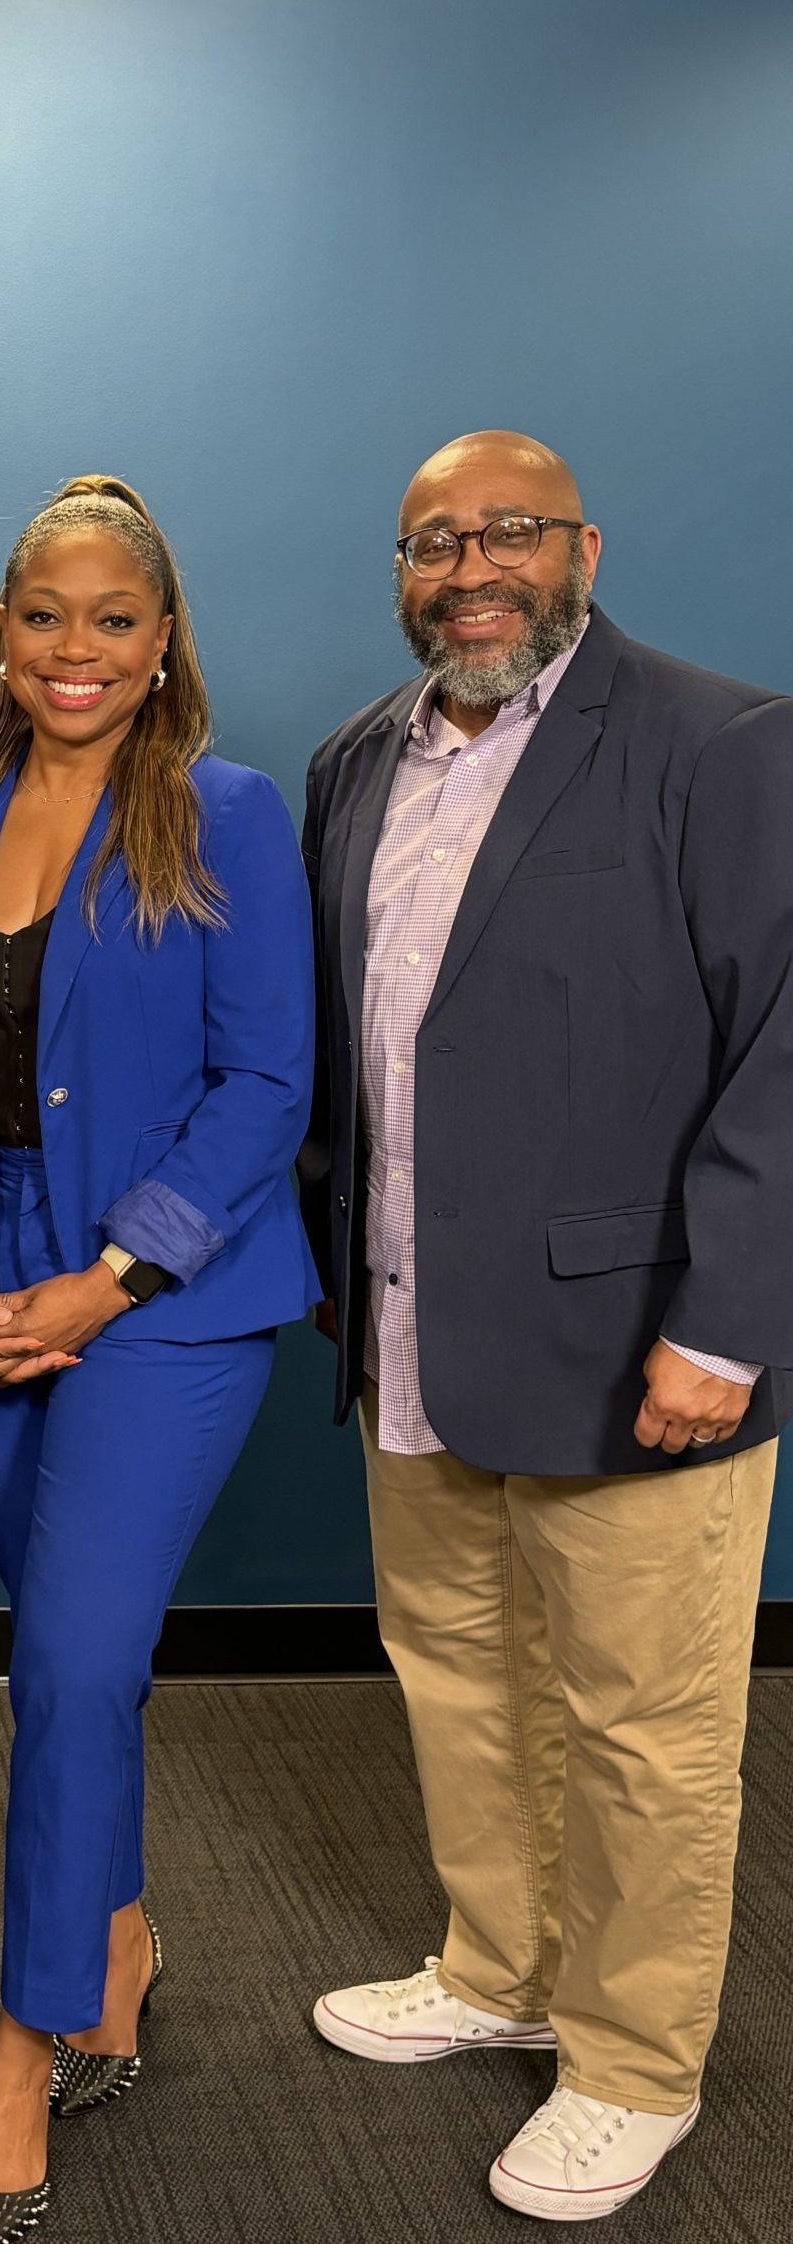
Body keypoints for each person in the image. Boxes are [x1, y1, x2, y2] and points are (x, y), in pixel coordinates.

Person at [301, 430, 792, 2223]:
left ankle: (635, 2064)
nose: (470, 565)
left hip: (645, 1344)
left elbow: (786, 1053)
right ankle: (500, 1974)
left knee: (647, 1729)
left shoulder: (721, 741)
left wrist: (729, 1325)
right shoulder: (361, 760)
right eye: (434, 540)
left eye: (508, 530)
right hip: (420, 1332)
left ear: (583, 543)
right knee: (463, 1678)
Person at [0, 476, 319, 2243]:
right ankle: (121, 1939)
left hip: (164, 1306)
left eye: (113, 619)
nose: (77, 648)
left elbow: (267, 1087)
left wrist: (107, 1279)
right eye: (45, 616)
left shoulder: (227, 813)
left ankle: (25, 2037)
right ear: (4, 637)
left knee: (62, 1670)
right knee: (90, 1670)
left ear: (163, 645)